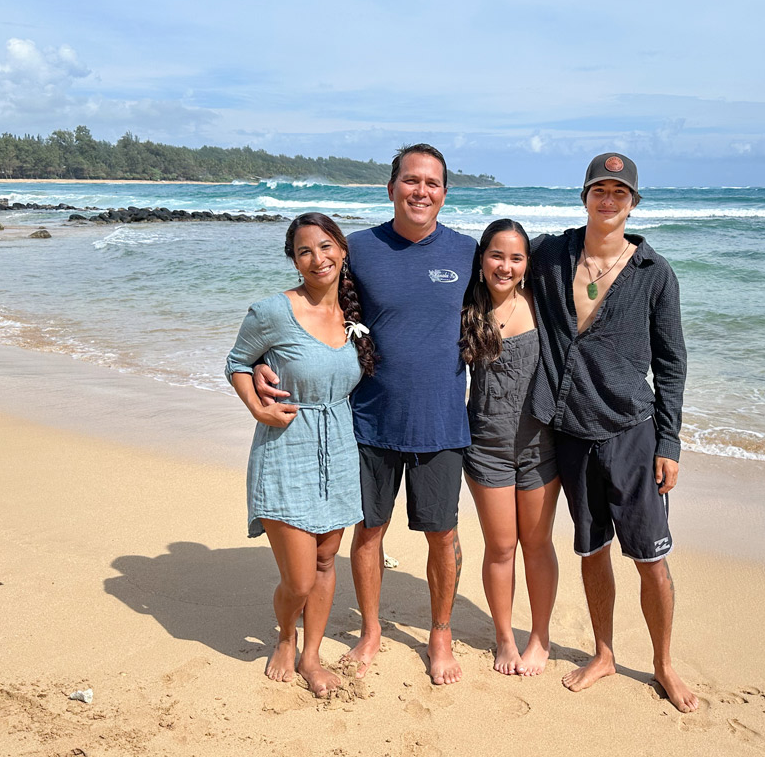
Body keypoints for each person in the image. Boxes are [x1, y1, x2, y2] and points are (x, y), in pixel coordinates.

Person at [255, 144, 477, 685]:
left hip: (443, 421)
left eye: (432, 182)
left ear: (445, 193)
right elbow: (314, 307)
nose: (420, 190)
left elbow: (515, 295)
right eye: (410, 180)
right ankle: (372, 629)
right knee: (369, 534)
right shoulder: (358, 249)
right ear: (391, 187)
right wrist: (262, 360)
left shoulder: (469, 252)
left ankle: (440, 634)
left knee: (443, 536)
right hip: (370, 421)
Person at [528, 153, 698, 712]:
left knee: (650, 556)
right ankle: (603, 653)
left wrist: (669, 443)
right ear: (584, 196)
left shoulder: (655, 274)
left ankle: (663, 663)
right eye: (599, 189)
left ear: (633, 203)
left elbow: (672, 364)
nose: (608, 199)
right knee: (592, 548)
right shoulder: (551, 254)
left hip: (632, 431)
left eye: (618, 192)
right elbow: (492, 264)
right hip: (570, 430)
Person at [225, 212, 377, 698]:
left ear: (343, 251)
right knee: (297, 579)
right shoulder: (272, 311)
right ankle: (285, 635)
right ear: (294, 259)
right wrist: (256, 406)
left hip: (340, 447)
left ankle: (310, 655)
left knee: (326, 560)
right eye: (305, 251)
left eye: (327, 246)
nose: (318, 258)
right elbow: (236, 363)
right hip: (286, 447)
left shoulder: (354, 315)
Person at [460, 219, 560, 676]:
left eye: (516, 257)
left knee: (537, 543)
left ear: (526, 264)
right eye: (496, 255)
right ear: (482, 260)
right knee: (501, 547)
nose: (505, 265)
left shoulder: (543, 304)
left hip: (541, 444)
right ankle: (504, 638)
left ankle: (539, 638)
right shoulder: (466, 308)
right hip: (486, 445)